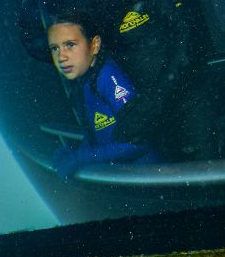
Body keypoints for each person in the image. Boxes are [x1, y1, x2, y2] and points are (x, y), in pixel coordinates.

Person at [77, 0, 225, 160]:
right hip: (148, 121)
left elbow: (190, 40)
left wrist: (154, 100)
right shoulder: (92, 5)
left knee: (210, 186)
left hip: (191, 110)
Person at [47, 11, 161, 181]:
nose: (61, 57)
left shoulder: (108, 77)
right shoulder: (83, 82)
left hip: (148, 181)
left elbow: (138, 144)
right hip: (122, 180)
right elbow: (99, 135)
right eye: (55, 48)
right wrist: (75, 152)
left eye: (70, 44)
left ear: (95, 45)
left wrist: (80, 158)